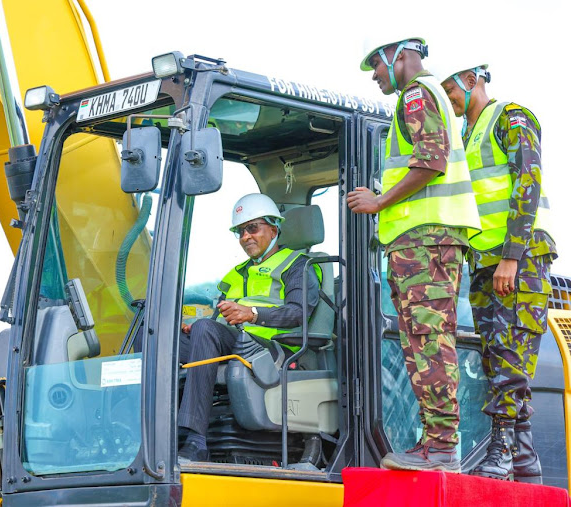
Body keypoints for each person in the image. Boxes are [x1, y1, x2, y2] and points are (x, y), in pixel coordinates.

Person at [349, 36, 481, 472]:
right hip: (420, 244)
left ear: (399, 56)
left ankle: (442, 446)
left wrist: (380, 201)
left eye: (377, 65)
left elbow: (432, 161)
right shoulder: (424, 96)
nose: (375, 75)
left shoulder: (417, 94)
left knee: (428, 342)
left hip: (427, 242)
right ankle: (434, 443)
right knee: (422, 343)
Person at [441, 64, 556, 483]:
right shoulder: (464, 137)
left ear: (471, 79)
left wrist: (511, 255)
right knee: (494, 357)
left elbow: (529, 180)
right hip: (485, 260)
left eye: (450, 87)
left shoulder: (510, 116)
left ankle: (503, 448)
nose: (448, 96)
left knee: (511, 354)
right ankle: (524, 458)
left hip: (518, 259)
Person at [177, 193, 321, 462]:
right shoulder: (236, 273)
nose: (246, 237)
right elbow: (220, 316)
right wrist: (195, 327)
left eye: (252, 228)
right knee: (159, 340)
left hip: (272, 349)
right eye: (241, 231)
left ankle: (196, 440)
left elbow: (299, 313)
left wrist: (253, 314)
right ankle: (161, 432)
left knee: (206, 331)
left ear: (274, 228)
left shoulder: (298, 265)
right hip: (236, 341)